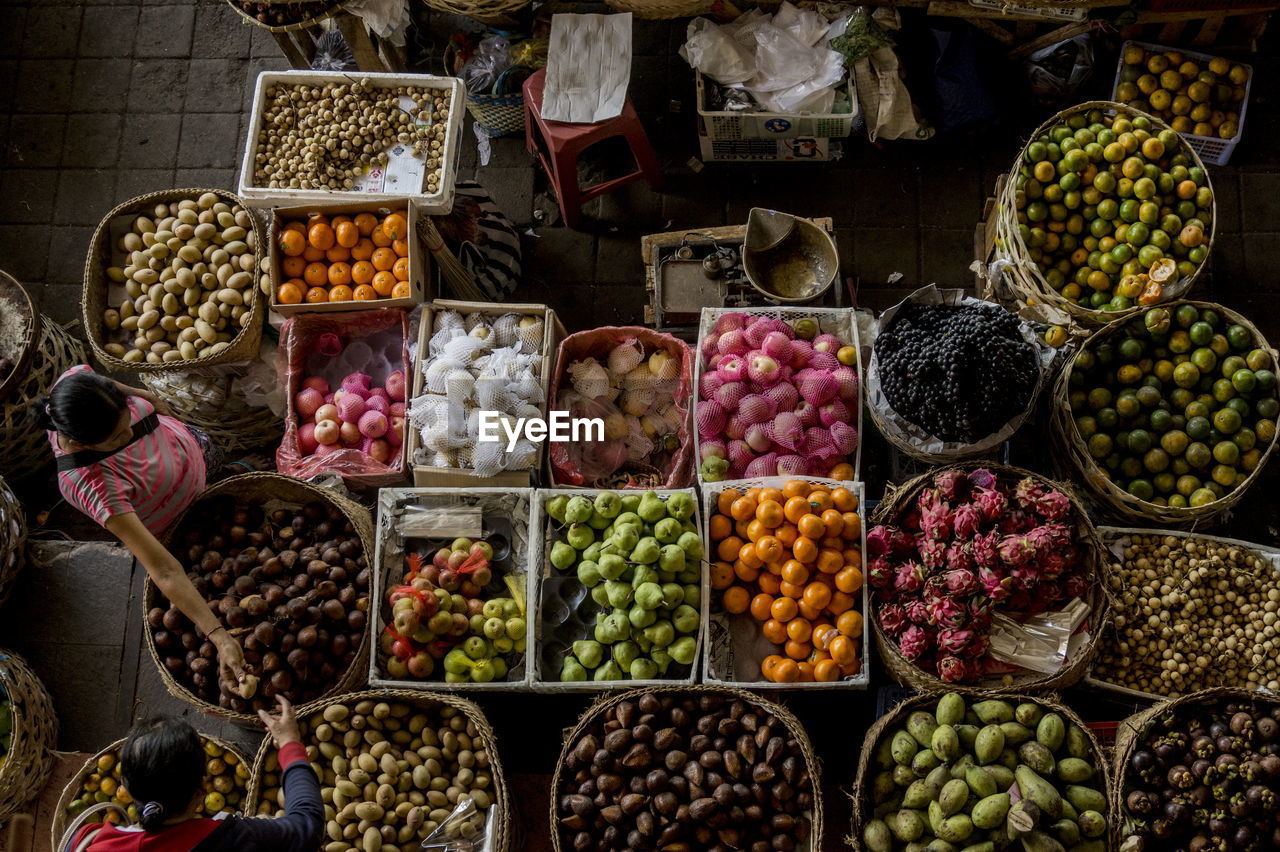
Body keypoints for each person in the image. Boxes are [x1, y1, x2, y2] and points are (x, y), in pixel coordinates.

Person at [32, 365, 263, 690]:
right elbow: (165, 571)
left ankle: (232, 470)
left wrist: (143, 396)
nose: (130, 432)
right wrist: (219, 635)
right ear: (81, 443)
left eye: (126, 415)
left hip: (192, 452)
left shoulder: (75, 387)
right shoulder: (88, 483)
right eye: (116, 438)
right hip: (173, 514)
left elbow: (105, 385)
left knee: (217, 465)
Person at [70, 696, 323, 852]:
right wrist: (290, 744)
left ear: (124, 783)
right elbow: (308, 826)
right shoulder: (233, 838)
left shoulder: (88, 842)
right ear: (201, 793)